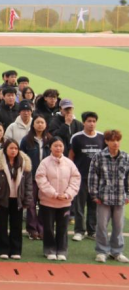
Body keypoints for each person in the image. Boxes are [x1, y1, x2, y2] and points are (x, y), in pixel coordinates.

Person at [0, 139, 33, 260]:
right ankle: (2, 250)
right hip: (2, 199)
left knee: (16, 226)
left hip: (18, 200)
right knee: (1, 225)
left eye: (16, 148)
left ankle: (15, 250)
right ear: (5, 149)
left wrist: (27, 200)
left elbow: (28, 184)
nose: (13, 151)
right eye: (11, 148)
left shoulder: (24, 164)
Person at [35, 138, 81, 261]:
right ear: (50, 147)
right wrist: (54, 194)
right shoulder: (44, 163)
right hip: (47, 202)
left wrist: (67, 194)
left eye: (60, 146)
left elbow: (76, 179)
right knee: (48, 228)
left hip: (65, 202)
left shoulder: (69, 163)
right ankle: (49, 250)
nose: (58, 148)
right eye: (55, 146)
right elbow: (41, 179)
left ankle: (62, 250)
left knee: (63, 228)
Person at [89, 130, 129, 264]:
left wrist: (128, 195)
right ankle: (102, 251)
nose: (115, 143)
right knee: (101, 226)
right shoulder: (98, 157)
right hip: (103, 198)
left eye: (117, 140)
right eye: (112, 140)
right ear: (106, 141)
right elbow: (93, 176)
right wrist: (94, 194)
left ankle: (116, 252)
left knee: (119, 226)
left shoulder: (126, 157)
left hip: (120, 198)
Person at [69, 112, 104, 242]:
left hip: (96, 178)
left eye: (94, 121)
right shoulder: (76, 137)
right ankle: (79, 231)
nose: (91, 124)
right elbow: (71, 155)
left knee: (94, 205)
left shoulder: (101, 137)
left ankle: (92, 231)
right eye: (89, 121)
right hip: (80, 177)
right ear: (84, 122)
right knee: (79, 205)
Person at [20, 116, 51, 240]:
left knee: (44, 204)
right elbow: (21, 158)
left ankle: (42, 229)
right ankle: (32, 229)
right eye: (37, 122)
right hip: (31, 177)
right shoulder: (26, 140)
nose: (40, 125)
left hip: (46, 178)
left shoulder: (50, 139)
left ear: (45, 125)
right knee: (31, 204)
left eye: (42, 122)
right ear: (33, 124)